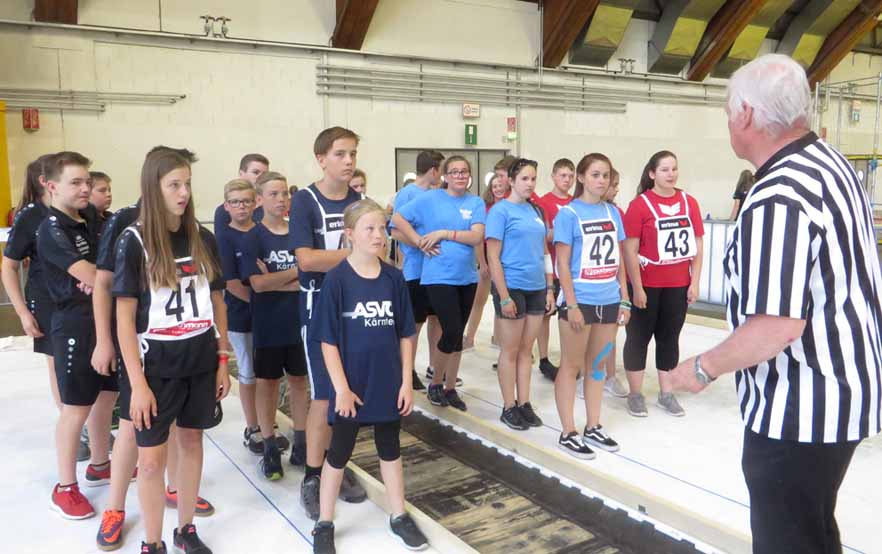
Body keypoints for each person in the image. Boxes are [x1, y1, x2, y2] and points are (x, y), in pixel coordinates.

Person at [669, 53, 882, 554]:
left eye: (729, 112)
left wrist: (700, 368)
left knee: (787, 538)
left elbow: (776, 326)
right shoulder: (828, 162)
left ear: (746, 114)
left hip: (801, 407)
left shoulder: (777, 195)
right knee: (813, 528)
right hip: (845, 390)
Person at [92, 147, 216, 551]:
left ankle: (185, 530)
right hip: (154, 367)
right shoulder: (133, 239)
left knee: (192, 442)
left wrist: (221, 359)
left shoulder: (201, 237)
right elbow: (124, 318)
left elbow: (216, 301)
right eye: (174, 185)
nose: (183, 192)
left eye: (187, 184)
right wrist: (137, 383)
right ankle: (151, 540)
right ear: (153, 186)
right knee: (148, 460)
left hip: (198, 359)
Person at [310, 199, 428, 554]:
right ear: (350, 234)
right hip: (351, 386)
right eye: (370, 229)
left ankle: (399, 514)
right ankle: (324, 522)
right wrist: (341, 389)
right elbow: (328, 342)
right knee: (339, 452)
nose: (379, 236)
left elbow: (405, 334)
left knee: (390, 447)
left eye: (382, 228)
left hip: (387, 381)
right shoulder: (337, 281)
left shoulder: (393, 278)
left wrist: (405, 381)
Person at [35, 151, 118, 521]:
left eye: (87, 181)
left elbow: (103, 273)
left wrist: (102, 276)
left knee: (106, 397)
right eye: (76, 182)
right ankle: (65, 487)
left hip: (105, 320)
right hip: (75, 325)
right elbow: (94, 276)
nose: (85, 188)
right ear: (52, 187)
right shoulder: (51, 229)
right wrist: (103, 277)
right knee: (76, 408)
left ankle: (100, 464)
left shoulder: (91, 219)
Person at [291, 126, 367, 520]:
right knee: (324, 396)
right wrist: (357, 255)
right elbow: (306, 260)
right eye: (340, 153)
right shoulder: (305, 201)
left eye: (352, 153)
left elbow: (376, 255)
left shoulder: (360, 202)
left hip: (354, 307)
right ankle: (312, 475)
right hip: (318, 308)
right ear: (321, 159)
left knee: (348, 393)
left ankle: (337, 464)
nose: (349, 160)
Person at [393, 156, 486, 411]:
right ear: (444, 176)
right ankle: (436, 382)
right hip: (438, 276)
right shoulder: (431, 199)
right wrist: (418, 240)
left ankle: (450, 388)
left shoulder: (475, 202)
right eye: (454, 172)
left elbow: (476, 236)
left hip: (467, 277)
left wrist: (444, 233)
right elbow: (398, 219)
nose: (460, 176)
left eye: (464, 171)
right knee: (451, 330)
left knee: (457, 339)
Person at [554, 153, 630, 459]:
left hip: (608, 300)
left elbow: (619, 259)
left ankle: (593, 425)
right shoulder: (568, 214)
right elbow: (562, 262)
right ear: (582, 177)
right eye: (595, 175)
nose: (602, 180)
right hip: (580, 301)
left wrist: (624, 297)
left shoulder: (613, 212)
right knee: (571, 366)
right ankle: (568, 431)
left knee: (597, 365)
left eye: (606, 175)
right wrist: (571, 304)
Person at [622, 150, 704, 417]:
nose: (671, 174)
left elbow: (698, 244)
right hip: (647, 285)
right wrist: (637, 287)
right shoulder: (640, 205)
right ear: (652, 173)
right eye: (665, 170)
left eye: (674, 169)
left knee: (670, 338)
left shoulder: (689, 202)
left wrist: (694, 282)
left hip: (678, 285)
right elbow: (630, 250)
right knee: (638, 338)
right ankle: (635, 394)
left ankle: (666, 393)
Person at [241, 171, 309, 480]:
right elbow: (258, 284)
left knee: (299, 380)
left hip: (299, 320)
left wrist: (276, 279)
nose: (281, 200)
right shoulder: (253, 237)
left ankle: (301, 441)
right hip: (269, 323)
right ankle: (269, 444)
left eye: (285, 193)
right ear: (259, 199)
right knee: (267, 384)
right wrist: (295, 273)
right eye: (273, 194)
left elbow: (309, 275)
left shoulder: (299, 233)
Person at [485, 159, 554, 430]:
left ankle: (524, 403)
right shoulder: (500, 211)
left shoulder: (536, 210)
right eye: (524, 178)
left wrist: (549, 287)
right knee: (511, 350)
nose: (530, 183)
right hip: (512, 286)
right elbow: (493, 256)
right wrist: (503, 296)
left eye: (533, 178)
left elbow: (545, 251)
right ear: (511, 181)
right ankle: (508, 406)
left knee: (527, 350)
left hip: (536, 287)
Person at [391, 150, 447, 391]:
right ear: (433, 170)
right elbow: (395, 230)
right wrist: (421, 243)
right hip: (416, 270)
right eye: (442, 170)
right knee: (414, 323)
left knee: (437, 319)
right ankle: (408, 369)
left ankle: (435, 366)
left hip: (437, 270)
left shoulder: (439, 195)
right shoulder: (407, 194)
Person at [217, 179, 261, 454]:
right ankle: (253, 426)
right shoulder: (223, 238)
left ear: (256, 202)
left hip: (270, 315)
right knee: (248, 371)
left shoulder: (263, 231)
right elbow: (231, 283)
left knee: (267, 373)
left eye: (246, 201)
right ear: (226, 206)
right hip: (240, 315)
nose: (241, 206)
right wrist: (261, 302)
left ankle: (267, 422)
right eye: (235, 202)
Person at [463, 159, 514, 353]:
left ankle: (498, 338)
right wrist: (482, 263)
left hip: (505, 257)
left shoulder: (511, 207)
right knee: (479, 300)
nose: (498, 189)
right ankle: (469, 337)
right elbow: (479, 239)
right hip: (487, 255)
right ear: (490, 189)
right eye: (495, 186)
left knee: (501, 298)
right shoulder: (485, 209)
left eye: (501, 185)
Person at [534, 158, 575, 381]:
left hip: (570, 269)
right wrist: (563, 231)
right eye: (563, 175)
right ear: (553, 176)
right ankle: (543, 358)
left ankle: (570, 359)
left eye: (570, 176)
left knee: (569, 316)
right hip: (550, 268)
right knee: (545, 315)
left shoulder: (576, 202)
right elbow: (542, 234)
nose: (567, 180)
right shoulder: (543, 203)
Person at [212, 153, 269, 237]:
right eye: (256, 172)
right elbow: (222, 242)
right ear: (241, 174)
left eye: (265, 174)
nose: (261, 177)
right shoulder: (225, 211)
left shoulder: (270, 207)